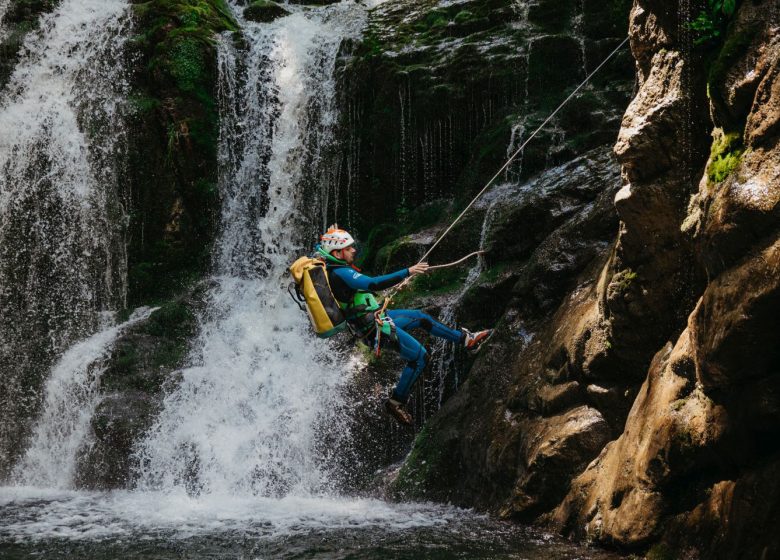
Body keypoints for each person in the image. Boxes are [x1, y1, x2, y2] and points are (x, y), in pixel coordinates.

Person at [316, 225, 492, 426]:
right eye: (349, 248)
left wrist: (332, 233)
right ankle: (396, 401)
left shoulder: (327, 262)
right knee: (420, 357)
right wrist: (407, 271)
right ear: (337, 253)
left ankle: (466, 340)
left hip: (378, 318)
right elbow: (373, 284)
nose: (354, 250)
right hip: (375, 330)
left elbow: (322, 249)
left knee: (421, 318)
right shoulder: (341, 273)